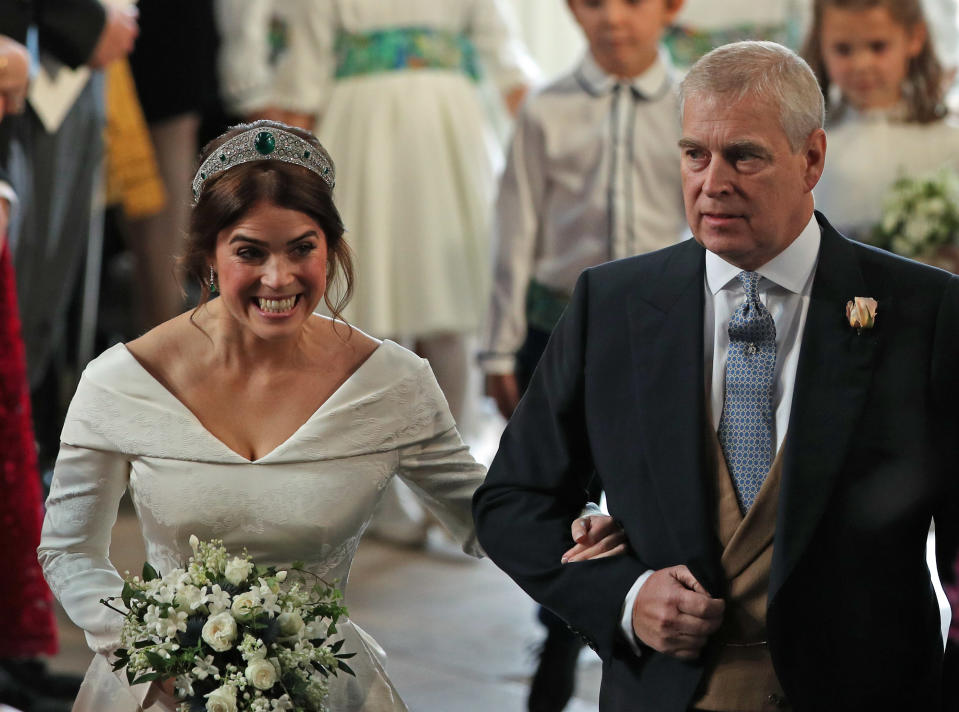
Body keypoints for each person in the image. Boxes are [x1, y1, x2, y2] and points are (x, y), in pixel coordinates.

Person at [36, 120, 625, 712]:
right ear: (207, 255)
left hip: (321, 686)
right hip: (162, 691)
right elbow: (69, 549)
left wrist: (577, 529)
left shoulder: (391, 382)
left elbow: (485, 513)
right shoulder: (121, 380)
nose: (278, 277)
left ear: (331, 246)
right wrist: (153, 653)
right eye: (250, 252)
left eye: (302, 248)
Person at [474, 41, 959, 711]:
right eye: (694, 154)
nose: (713, 182)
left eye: (745, 155)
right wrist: (626, 597)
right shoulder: (609, 306)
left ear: (811, 157)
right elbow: (513, 501)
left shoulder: (924, 311)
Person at [479, 0, 686, 708]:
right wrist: (498, 348)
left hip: (664, 335)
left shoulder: (694, 106)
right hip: (557, 331)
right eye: (593, 2)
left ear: (672, 8)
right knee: (558, 494)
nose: (612, 20)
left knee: (648, 490)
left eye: (632, 2)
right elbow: (515, 230)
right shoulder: (546, 110)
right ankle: (561, 626)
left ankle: (645, 625)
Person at [803, 0, 959, 242]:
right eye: (843, 49)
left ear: (915, 38)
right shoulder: (809, 145)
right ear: (821, 44)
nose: (862, 64)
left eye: (878, 46)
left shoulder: (948, 141)